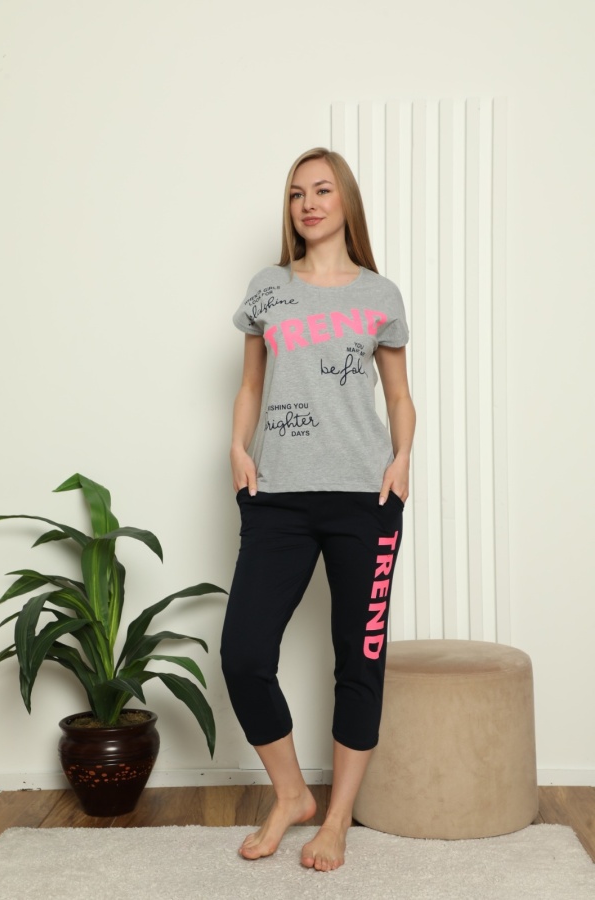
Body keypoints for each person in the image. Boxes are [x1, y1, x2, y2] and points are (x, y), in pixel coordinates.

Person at [221, 147, 416, 872]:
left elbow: (398, 395)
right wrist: (237, 448)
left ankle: (336, 821)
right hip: (277, 496)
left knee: (358, 660)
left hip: (365, 498)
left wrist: (402, 460)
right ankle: (292, 794)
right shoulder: (268, 289)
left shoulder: (380, 294)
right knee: (244, 654)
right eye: (297, 193)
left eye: (322, 190)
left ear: (345, 202)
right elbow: (250, 384)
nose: (308, 203)